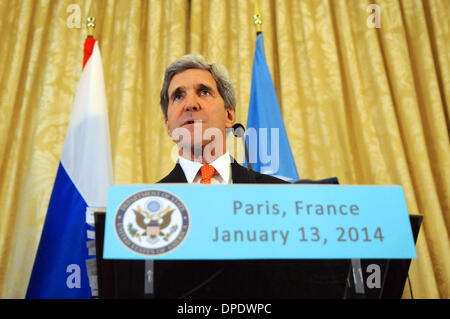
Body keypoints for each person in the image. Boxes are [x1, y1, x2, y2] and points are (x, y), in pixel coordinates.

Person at [157, 54, 287, 184]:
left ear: (229, 115)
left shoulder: (279, 194)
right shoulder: (149, 201)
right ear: (168, 125)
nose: (190, 104)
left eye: (204, 92)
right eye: (178, 96)